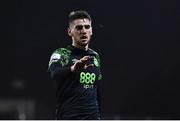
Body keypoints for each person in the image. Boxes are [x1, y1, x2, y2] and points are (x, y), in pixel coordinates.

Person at [48, 10, 102, 119]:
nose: (84, 31)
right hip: (69, 117)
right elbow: (54, 74)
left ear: (91, 31)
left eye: (87, 27)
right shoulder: (62, 53)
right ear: (69, 32)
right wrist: (72, 69)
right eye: (79, 28)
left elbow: (96, 89)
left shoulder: (95, 56)